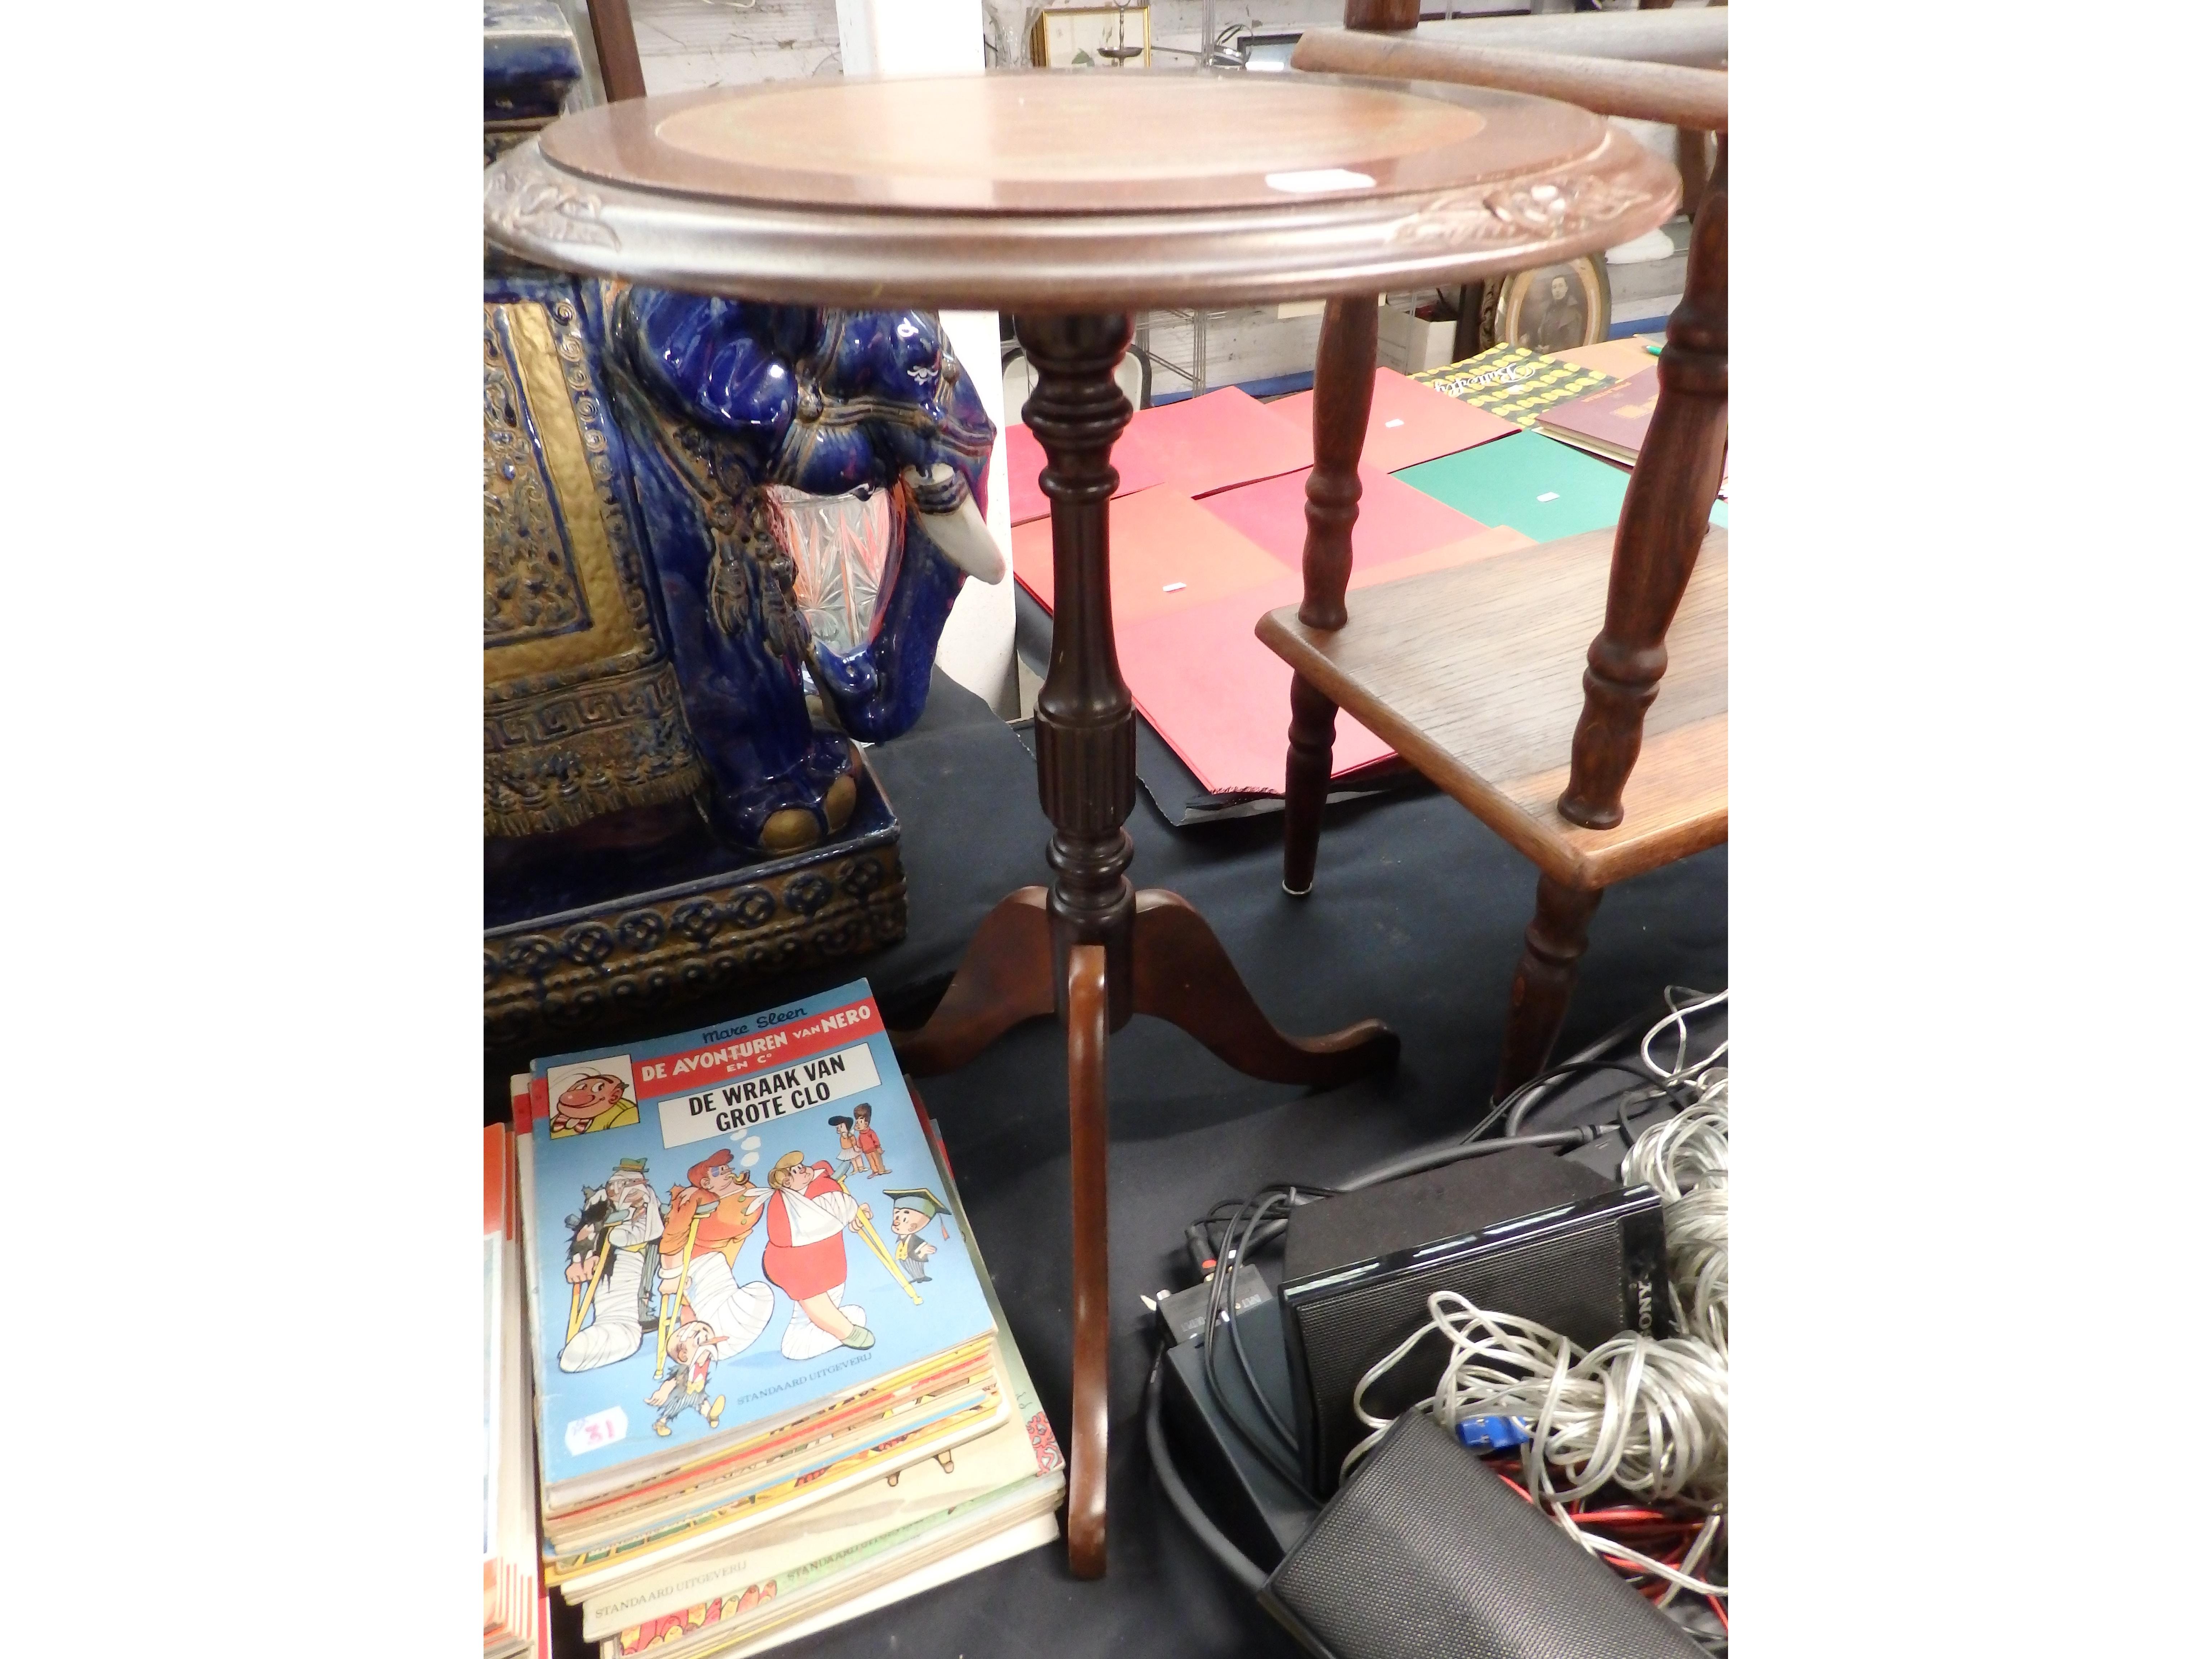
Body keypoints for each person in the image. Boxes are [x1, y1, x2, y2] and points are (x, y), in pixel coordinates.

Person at [659, 1148, 774, 1361]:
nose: (728, 1172)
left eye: (726, 1168)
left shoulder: (739, 1191)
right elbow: (674, 1233)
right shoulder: (700, 1198)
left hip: (721, 1258)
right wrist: (671, 1273)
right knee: (707, 1302)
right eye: (718, 1171)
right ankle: (693, 1347)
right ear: (706, 1183)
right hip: (696, 1261)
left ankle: (698, 1344)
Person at [760, 1151, 875, 1358]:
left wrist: (857, 1214)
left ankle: (827, 1328)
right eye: (796, 1171)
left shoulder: (823, 1183)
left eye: (801, 1166)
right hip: (795, 1265)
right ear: (787, 1182)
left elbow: (842, 1210)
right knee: (813, 1302)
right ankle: (846, 1332)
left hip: (829, 1260)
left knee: (824, 1309)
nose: (803, 1170)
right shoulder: (783, 1202)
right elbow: (783, 1235)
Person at [558, 1159, 664, 1372]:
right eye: (615, 1185)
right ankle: (589, 1342)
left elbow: (641, 1234)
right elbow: (587, 1231)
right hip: (604, 1262)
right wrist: (580, 1258)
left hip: (632, 1262)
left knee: (621, 1313)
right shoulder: (601, 1202)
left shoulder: (647, 1203)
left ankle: (609, 1337)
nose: (618, 1190)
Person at [645, 1320, 727, 1437]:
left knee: (702, 1403)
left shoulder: (703, 1361)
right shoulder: (684, 1369)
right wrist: (664, 1390)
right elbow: (673, 1381)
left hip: (697, 1393)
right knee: (674, 1408)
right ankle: (661, 1424)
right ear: (683, 1356)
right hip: (682, 1394)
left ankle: (711, 1416)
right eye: (699, 1340)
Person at [882, 1188, 949, 1285]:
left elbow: (918, 1253)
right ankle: (917, 1277)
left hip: (915, 1258)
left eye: (905, 1219)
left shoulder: (917, 1241)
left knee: (915, 1264)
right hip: (906, 1260)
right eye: (896, 1215)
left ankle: (920, 1277)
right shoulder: (901, 1241)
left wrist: (923, 1252)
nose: (896, 1222)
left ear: (914, 1226)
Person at [549, 1071, 639, 1138]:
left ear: (614, 1097)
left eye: (599, 1088)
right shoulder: (561, 1117)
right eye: (583, 1087)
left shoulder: (624, 1111)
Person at [852, 1102, 888, 1178]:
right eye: (857, 1122)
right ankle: (875, 1171)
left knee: (878, 1160)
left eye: (860, 1122)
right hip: (867, 1151)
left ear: (866, 1124)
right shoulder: (861, 1135)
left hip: (874, 1150)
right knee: (871, 1162)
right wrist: (859, 1148)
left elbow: (876, 1140)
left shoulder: (870, 1132)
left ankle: (881, 1170)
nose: (857, 1124)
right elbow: (860, 1143)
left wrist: (878, 1147)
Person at [826, 1115, 863, 1182]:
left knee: (857, 1157)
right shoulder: (842, 1136)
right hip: (846, 1150)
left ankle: (861, 1167)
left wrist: (855, 1146)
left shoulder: (850, 1135)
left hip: (852, 1149)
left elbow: (853, 1140)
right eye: (837, 1128)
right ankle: (856, 1169)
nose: (838, 1129)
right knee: (852, 1159)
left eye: (841, 1127)